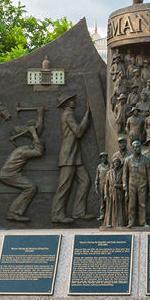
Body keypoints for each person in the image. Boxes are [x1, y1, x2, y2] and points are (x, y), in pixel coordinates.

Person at [50, 93, 94, 224]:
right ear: (66, 103)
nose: (74, 101)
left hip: (75, 156)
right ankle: (57, 214)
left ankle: (78, 212)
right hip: (68, 156)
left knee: (85, 181)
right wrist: (87, 114)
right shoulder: (68, 115)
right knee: (64, 186)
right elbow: (79, 132)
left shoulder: (69, 114)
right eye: (71, 100)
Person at [0, 107, 46, 223]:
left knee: (30, 187)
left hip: (11, 174)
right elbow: (39, 151)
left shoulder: (24, 148)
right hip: (9, 175)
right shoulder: (23, 150)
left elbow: (40, 133)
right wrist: (34, 133)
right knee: (31, 188)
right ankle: (13, 213)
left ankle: (13, 212)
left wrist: (40, 116)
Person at [124, 140, 150, 227]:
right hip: (132, 183)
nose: (137, 148)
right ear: (133, 148)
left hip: (142, 183)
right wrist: (125, 188)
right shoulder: (128, 160)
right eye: (135, 147)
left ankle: (143, 222)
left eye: (139, 147)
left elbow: (149, 175)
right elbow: (125, 175)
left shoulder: (146, 160)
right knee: (131, 203)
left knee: (142, 204)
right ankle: (131, 221)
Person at [104, 157, 126, 228]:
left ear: (120, 164)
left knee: (119, 208)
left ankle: (120, 223)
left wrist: (119, 186)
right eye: (115, 162)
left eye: (117, 162)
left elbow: (125, 184)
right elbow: (106, 185)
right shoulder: (109, 172)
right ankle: (109, 222)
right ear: (113, 164)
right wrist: (105, 194)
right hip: (111, 192)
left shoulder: (123, 172)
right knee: (110, 207)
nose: (116, 164)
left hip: (119, 192)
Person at [94, 152, 110, 222]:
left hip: (110, 185)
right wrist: (96, 185)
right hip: (102, 185)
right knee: (102, 200)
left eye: (105, 157)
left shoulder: (110, 165)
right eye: (102, 157)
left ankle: (109, 214)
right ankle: (102, 214)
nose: (103, 158)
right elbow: (97, 176)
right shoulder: (99, 166)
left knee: (109, 199)